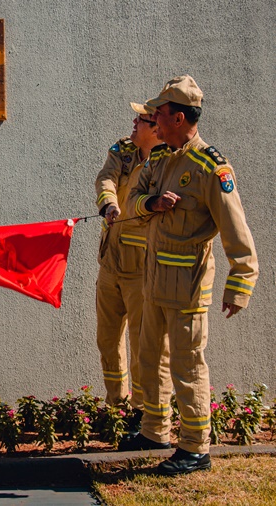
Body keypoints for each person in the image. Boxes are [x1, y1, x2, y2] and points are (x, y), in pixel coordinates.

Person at [122, 75, 259, 475]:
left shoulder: (210, 168)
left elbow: (237, 231)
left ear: (178, 118)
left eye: (159, 114)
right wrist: (152, 203)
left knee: (188, 367)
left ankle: (196, 449)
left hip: (188, 288)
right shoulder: (161, 159)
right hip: (154, 282)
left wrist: (240, 284)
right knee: (151, 360)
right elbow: (132, 203)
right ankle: (155, 431)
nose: (154, 121)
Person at [94, 101, 164, 431]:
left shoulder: (166, 163)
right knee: (107, 341)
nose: (134, 122)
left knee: (141, 345)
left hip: (141, 271)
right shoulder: (122, 150)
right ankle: (116, 407)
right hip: (110, 262)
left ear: (157, 128)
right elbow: (105, 178)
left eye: (142, 119)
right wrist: (108, 203)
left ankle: (141, 412)